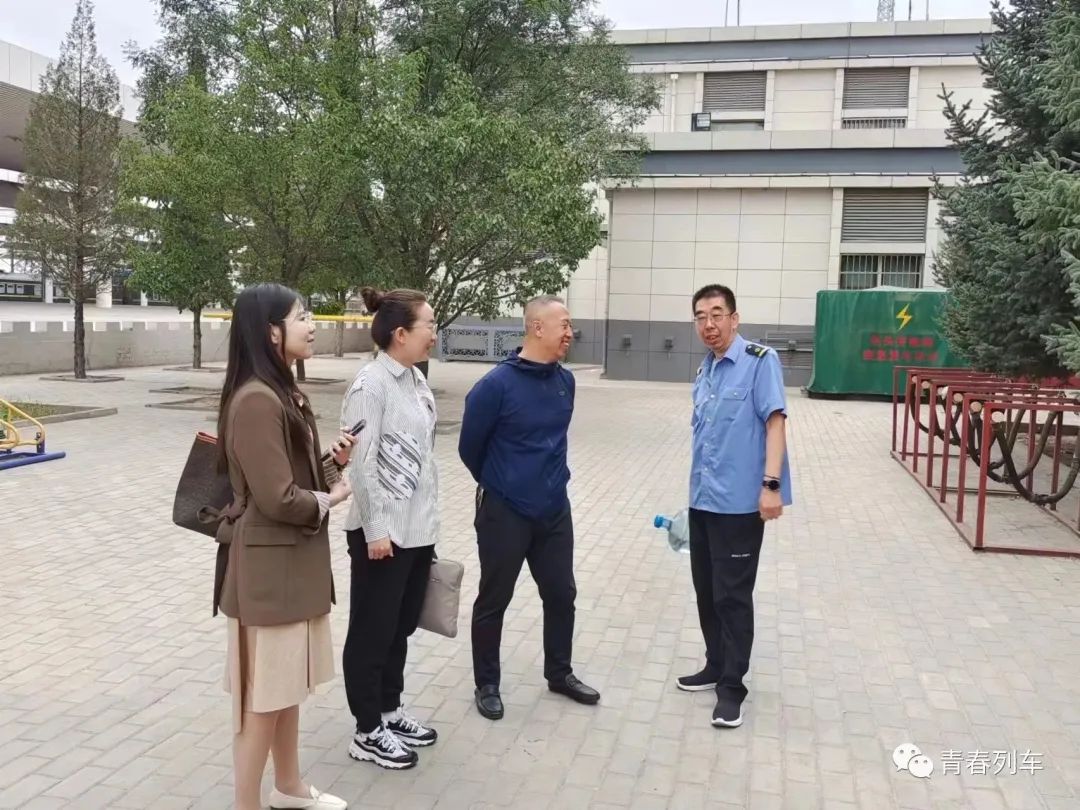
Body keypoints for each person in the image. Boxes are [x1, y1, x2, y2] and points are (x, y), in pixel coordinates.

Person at [216, 283, 357, 810]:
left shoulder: (281, 393)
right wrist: (329, 498)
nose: (312, 325)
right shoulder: (257, 400)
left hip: (289, 566)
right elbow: (277, 498)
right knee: (262, 702)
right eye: (301, 316)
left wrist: (331, 467)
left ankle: (289, 786)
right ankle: (246, 804)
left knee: (287, 689)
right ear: (271, 331)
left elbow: (290, 479)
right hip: (270, 576)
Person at [458, 295, 600, 721]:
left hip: (554, 509)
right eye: (564, 324)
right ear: (537, 328)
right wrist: (504, 483)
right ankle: (487, 683)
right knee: (494, 598)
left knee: (561, 593)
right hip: (505, 512)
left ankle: (559, 673)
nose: (570, 333)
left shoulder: (565, 381)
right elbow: (469, 449)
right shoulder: (495, 386)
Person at [679, 283, 792, 729]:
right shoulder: (705, 369)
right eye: (700, 316)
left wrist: (771, 485)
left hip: (740, 506)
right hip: (703, 500)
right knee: (707, 591)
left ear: (734, 318)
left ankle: (732, 688)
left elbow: (775, 422)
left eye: (717, 314)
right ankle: (715, 664)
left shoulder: (760, 362)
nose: (708, 324)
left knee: (732, 597)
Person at [339, 287, 440, 770]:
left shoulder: (416, 380)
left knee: (399, 628)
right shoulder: (370, 385)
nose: (434, 334)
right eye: (429, 326)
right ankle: (366, 729)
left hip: (416, 531)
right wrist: (376, 530)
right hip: (382, 535)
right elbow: (360, 466)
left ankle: (389, 709)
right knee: (372, 631)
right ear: (401, 333)